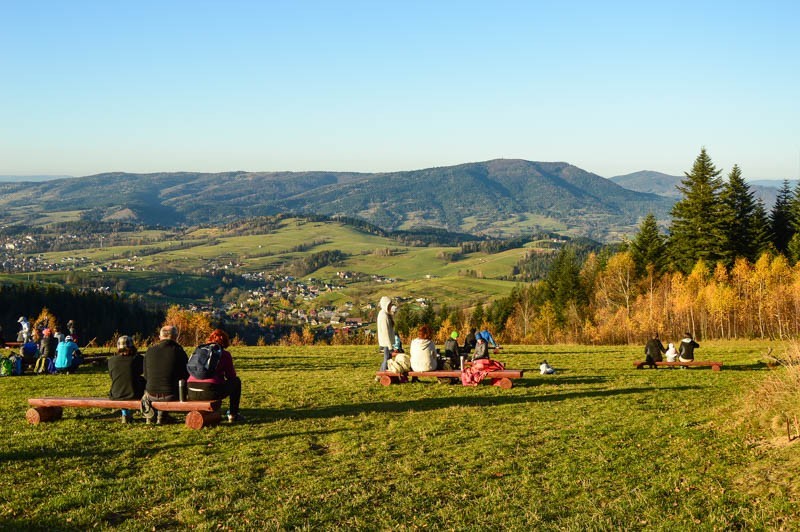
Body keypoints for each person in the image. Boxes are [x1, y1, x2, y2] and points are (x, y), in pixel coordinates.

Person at [187, 329, 243, 423]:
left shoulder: (199, 351)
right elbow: (231, 376)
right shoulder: (224, 354)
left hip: (191, 390)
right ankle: (233, 414)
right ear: (225, 342)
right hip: (210, 391)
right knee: (236, 382)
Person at [142, 325, 189, 424]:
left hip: (150, 394)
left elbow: (146, 376)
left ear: (160, 337)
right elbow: (185, 375)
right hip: (171, 395)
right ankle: (162, 415)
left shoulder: (150, 351)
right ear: (175, 337)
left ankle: (157, 415)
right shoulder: (179, 352)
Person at [108, 336, 145, 423]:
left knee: (124, 381)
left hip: (115, 394)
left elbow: (112, 376)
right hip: (134, 393)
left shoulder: (111, 360)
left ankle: (125, 413)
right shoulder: (138, 359)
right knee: (141, 380)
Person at [376, 296, 396, 372]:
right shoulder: (383, 316)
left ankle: (381, 374)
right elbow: (385, 333)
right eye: (390, 305)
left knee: (388, 359)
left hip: (386, 343)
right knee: (387, 359)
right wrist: (390, 347)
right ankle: (382, 374)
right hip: (386, 343)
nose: (391, 306)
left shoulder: (385, 314)